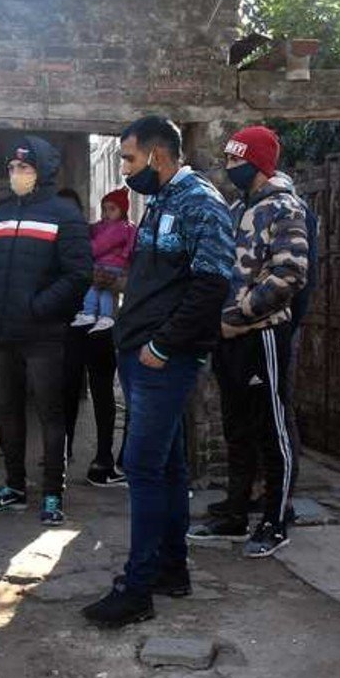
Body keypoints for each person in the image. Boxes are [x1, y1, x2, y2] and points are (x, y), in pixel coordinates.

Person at [82, 116, 233, 628]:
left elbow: (212, 285)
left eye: (128, 159)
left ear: (158, 154)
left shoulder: (200, 202)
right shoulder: (163, 200)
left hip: (163, 360)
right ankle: (171, 569)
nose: (125, 170)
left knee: (142, 467)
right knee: (166, 468)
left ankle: (138, 587)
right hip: (141, 351)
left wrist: (164, 346)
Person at [189, 126, 309, 559]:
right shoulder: (239, 207)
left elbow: (291, 274)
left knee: (272, 428)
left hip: (263, 335)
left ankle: (276, 520)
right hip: (229, 337)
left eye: (237, 160)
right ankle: (235, 512)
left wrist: (240, 316)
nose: (229, 167)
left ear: (257, 162)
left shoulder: (284, 207)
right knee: (236, 428)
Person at [0, 137, 92, 526]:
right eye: (11, 168)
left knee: (50, 414)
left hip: (43, 334)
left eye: (23, 168)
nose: (16, 175)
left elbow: (78, 275)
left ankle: (53, 494)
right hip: (2, 332)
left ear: (41, 172)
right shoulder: (1, 212)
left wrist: (39, 308)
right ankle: (14, 487)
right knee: (8, 411)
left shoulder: (64, 214)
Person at [64, 186, 131, 488]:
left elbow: (132, 276)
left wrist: (114, 281)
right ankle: (61, 455)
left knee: (102, 394)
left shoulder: (100, 235)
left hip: (98, 332)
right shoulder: (82, 236)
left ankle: (104, 459)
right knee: (65, 392)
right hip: (70, 327)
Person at [72, 188, 136, 333]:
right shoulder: (105, 226)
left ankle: (100, 314)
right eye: (104, 209)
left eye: (112, 209)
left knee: (103, 289)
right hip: (104, 265)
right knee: (97, 289)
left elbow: (99, 245)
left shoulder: (119, 228)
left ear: (122, 211)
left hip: (111, 266)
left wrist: (83, 251)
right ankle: (95, 314)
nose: (107, 213)